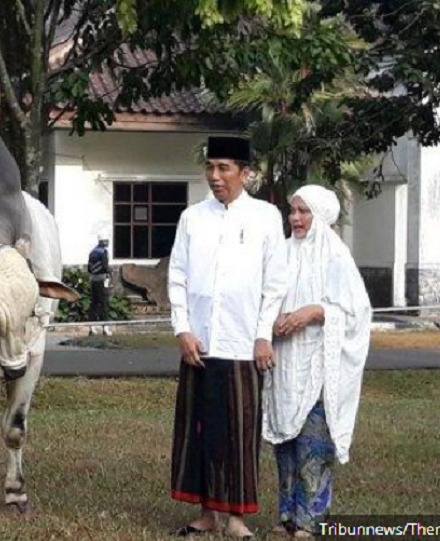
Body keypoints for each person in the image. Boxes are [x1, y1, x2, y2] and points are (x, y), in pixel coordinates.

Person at [167, 135, 287, 538]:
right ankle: (207, 515)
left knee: (239, 432)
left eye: (224, 168)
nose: (215, 176)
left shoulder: (266, 216)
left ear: (244, 173)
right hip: (199, 343)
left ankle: (237, 518)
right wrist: (183, 329)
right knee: (200, 430)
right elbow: (177, 276)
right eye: (210, 167)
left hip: (242, 343)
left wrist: (263, 335)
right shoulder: (192, 217)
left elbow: (275, 283)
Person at [262, 185, 372, 538]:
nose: (295, 218)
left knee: (313, 444)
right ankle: (287, 516)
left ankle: (311, 520)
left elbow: (357, 313)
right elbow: (266, 297)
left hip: (319, 366)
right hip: (284, 362)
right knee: (286, 444)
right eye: (292, 210)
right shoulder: (282, 252)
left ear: (321, 216)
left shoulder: (336, 257)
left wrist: (315, 312)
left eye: (303, 211)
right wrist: (271, 322)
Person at [87, 233, 112, 336]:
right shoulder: (103, 252)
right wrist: (110, 273)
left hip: (93, 280)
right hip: (102, 280)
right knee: (104, 303)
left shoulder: (92, 252)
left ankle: (92, 327)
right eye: (107, 241)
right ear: (103, 241)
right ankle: (105, 328)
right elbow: (105, 266)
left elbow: (89, 268)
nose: (108, 243)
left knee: (94, 303)